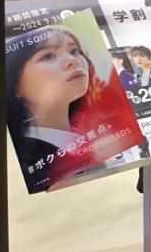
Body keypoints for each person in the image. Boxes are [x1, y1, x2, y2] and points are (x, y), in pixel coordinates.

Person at [5, 26, 104, 191]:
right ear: (14, 85)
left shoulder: (91, 132)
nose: (73, 61)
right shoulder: (30, 158)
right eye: (48, 56)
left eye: (74, 51)